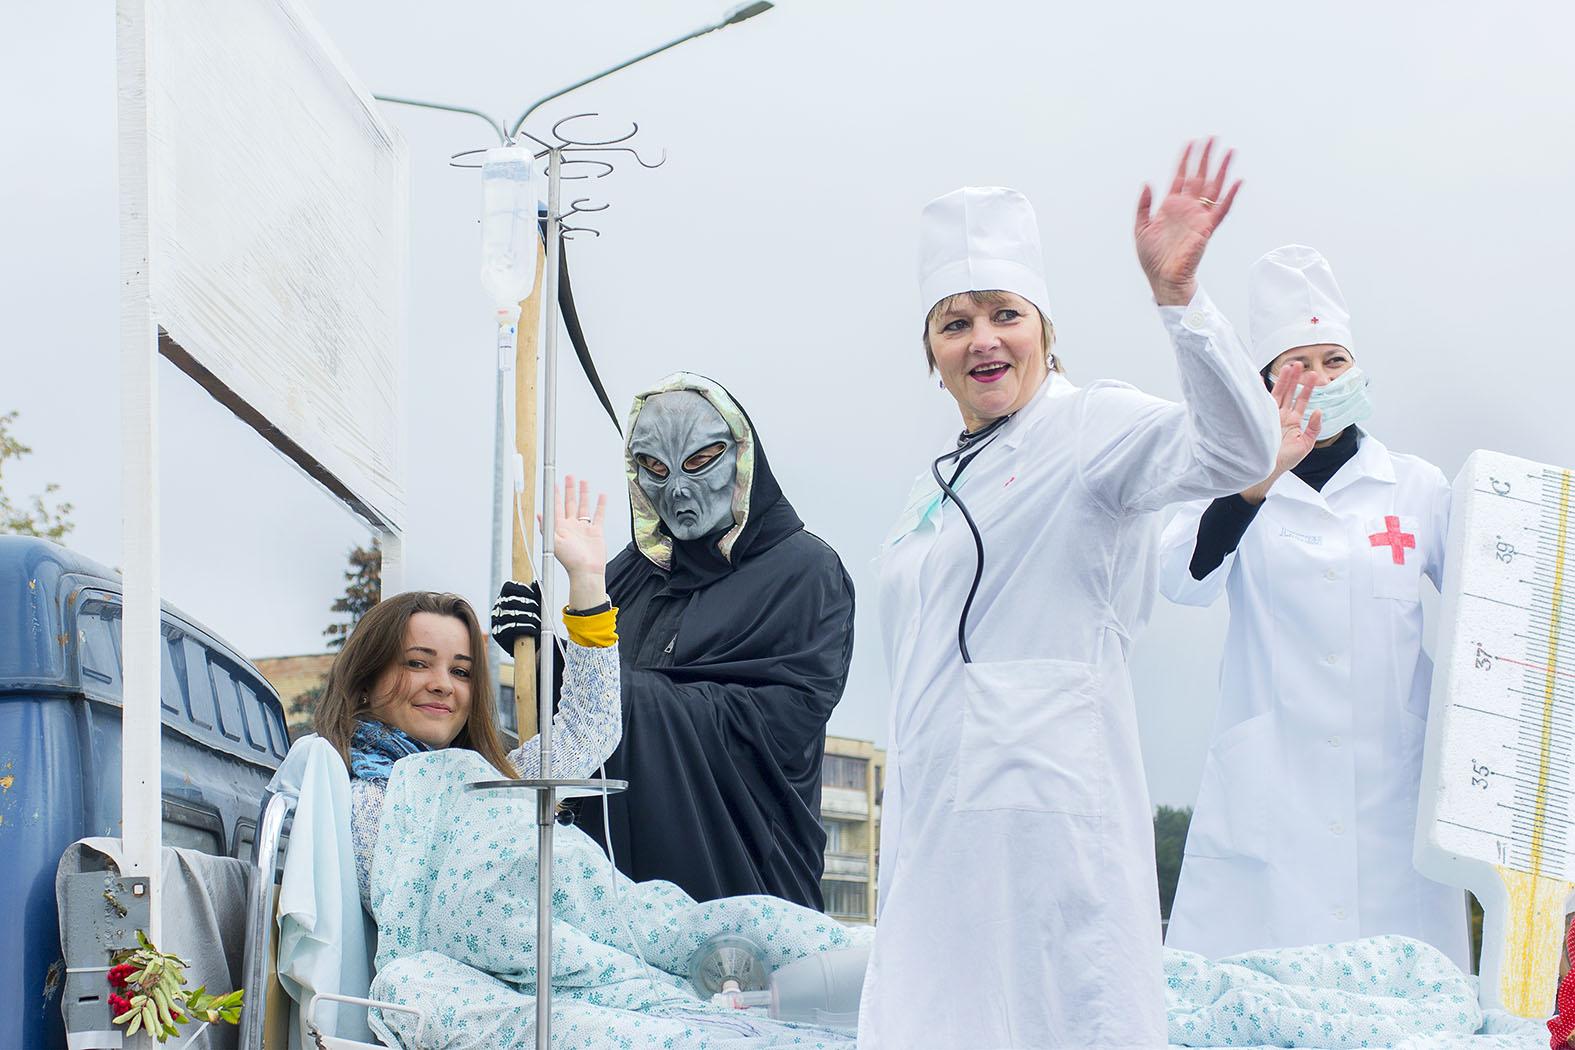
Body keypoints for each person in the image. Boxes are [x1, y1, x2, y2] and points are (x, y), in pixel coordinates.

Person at [859, 143, 1281, 1050]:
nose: (982, 339)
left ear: (1044, 330)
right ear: (930, 353)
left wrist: (1180, 302)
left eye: (1005, 314)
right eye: (954, 322)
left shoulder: (1090, 428)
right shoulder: (935, 483)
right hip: (935, 837)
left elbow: (1240, 452)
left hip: (1049, 836)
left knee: (1059, 1018)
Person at [1159, 245, 1470, 969]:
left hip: (1391, 793)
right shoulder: (1235, 484)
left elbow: (1487, 604)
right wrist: (1257, 479)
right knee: (1262, 997)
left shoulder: (1416, 487)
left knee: (1407, 997)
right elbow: (1181, 578)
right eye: (1297, 366)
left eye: (1335, 361)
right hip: (1273, 792)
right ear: (1265, 386)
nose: (1321, 379)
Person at [496, 373, 856, 910]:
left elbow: (778, 721)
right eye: (656, 470)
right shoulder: (631, 573)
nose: (678, 491)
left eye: (699, 462)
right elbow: (583, 722)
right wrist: (544, 655)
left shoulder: (805, 571)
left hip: (743, 879)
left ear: (742, 457)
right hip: (615, 887)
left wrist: (610, 684)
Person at [310, 478, 622, 905]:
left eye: (461, 671)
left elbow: (590, 729)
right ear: (365, 682)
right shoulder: (361, 800)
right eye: (417, 663)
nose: (442, 684)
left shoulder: (492, 783)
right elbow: (422, 911)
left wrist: (587, 585)